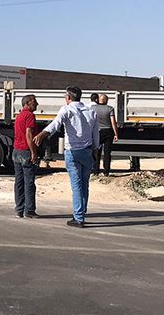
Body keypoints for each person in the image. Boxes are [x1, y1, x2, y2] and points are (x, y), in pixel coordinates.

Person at [33, 86, 99, 228]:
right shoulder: (91, 112)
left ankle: (78, 217)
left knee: (76, 185)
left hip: (72, 151)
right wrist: (94, 151)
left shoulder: (67, 109)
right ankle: (81, 213)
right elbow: (96, 137)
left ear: (68, 97)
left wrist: (41, 134)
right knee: (85, 184)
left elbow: (55, 125)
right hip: (87, 152)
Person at [13, 94, 40, 218]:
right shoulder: (30, 115)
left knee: (19, 181)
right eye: (34, 102)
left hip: (16, 151)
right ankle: (29, 210)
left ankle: (19, 209)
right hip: (25, 151)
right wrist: (33, 152)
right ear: (28, 103)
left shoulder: (19, 116)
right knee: (29, 182)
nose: (37, 104)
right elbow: (28, 134)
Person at [92, 93, 119, 176]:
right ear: (107, 100)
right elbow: (113, 122)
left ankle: (96, 171)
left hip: (97, 131)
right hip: (108, 131)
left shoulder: (93, 108)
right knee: (107, 153)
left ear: (98, 100)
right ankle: (106, 171)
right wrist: (116, 133)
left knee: (96, 152)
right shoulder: (110, 108)